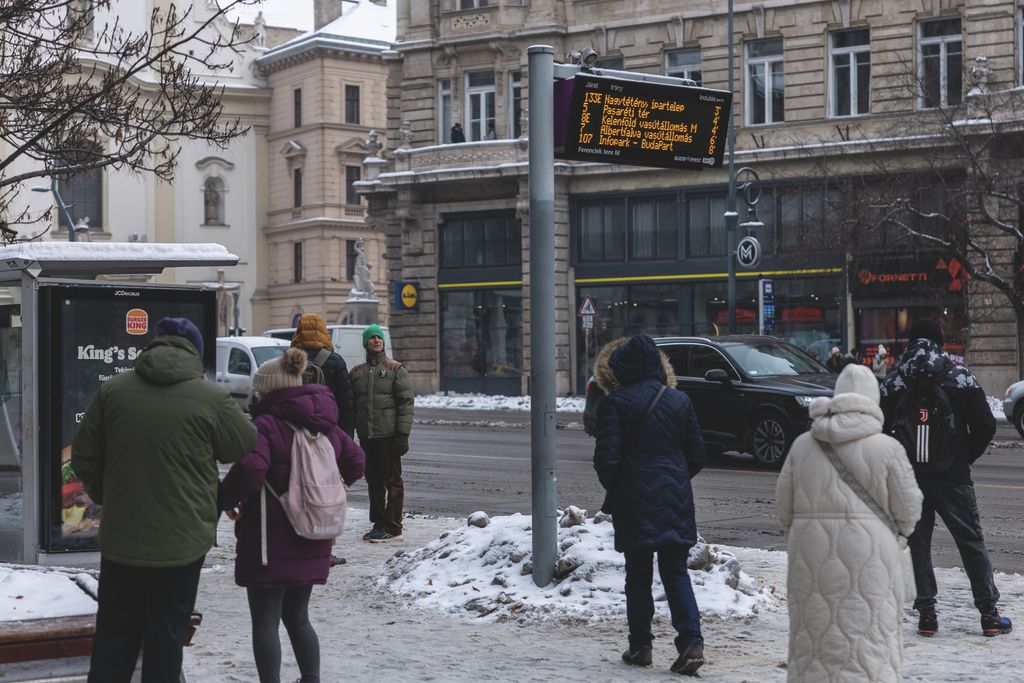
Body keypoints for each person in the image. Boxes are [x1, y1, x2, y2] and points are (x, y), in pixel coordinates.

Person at [72, 317, 257, 683]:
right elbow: (243, 443)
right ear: (196, 352)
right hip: (183, 542)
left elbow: (84, 456)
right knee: (166, 636)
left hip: (123, 538)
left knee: (114, 636)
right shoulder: (211, 396)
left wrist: (107, 495)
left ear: (153, 346)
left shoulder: (114, 391)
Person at [220, 348, 365, 683]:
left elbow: (252, 470)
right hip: (314, 532)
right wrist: (330, 489)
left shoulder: (265, 425)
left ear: (269, 390)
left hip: (270, 539)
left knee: (265, 620)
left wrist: (225, 500)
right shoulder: (326, 424)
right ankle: (310, 679)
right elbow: (357, 460)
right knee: (299, 617)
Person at [777, 364, 922, 682]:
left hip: (809, 552)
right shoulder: (888, 448)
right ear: (874, 401)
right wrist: (895, 534)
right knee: (870, 637)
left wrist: (803, 534)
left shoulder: (803, 445)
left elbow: (783, 506)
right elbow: (910, 509)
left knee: (813, 638)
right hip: (874, 557)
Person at [880, 319, 1009, 637]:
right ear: (939, 343)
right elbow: (985, 425)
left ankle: (926, 616)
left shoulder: (896, 380)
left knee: (919, 544)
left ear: (911, 342)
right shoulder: (959, 376)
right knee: (970, 543)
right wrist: (962, 458)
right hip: (953, 477)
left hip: (910, 478)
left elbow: (878, 428)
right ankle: (989, 615)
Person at [592, 335, 707, 676]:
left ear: (622, 367)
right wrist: (674, 478)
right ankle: (691, 642)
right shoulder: (680, 400)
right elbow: (698, 455)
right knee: (676, 572)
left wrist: (621, 486)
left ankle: (641, 646)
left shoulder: (615, 403)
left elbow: (605, 460)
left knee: (638, 575)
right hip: (675, 498)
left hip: (633, 498)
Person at [350, 323, 414, 542]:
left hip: (389, 437)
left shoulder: (396, 369)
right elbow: (352, 407)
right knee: (374, 482)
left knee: (393, 482)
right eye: (372, 338)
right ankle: (379, 524)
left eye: (379, 337)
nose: (376, 340)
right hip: (367, 437)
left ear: (383, 343)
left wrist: (402, 435)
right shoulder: (356, 373)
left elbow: (406, 404)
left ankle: (394, 527)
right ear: (365, 343)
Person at [291, 313, 355, 437]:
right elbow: (346, 403)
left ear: (299, 331)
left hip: (297, 429)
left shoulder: (290, 361)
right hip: (328, 428)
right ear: (323, 330)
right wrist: (346, 434)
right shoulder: (335, 361)